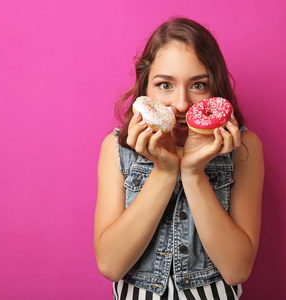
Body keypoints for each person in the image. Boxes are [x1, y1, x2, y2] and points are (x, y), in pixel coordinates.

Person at [94, 17, 264, 300]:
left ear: (215, 89)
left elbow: (237, 270)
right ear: (145, 88)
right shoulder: (117, 149)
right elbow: (111, 264)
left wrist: (194, 173)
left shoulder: (245, 148)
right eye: (165, 85)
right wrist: (164, 171)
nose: (182, 104)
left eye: (198, 85)